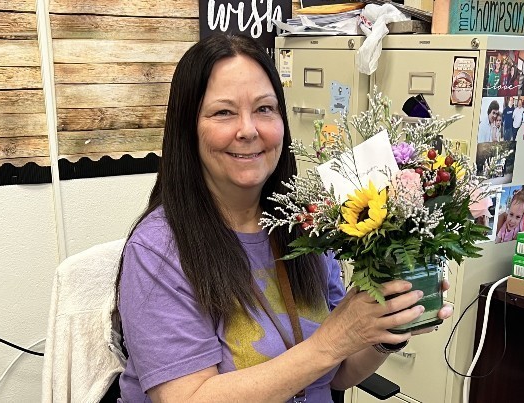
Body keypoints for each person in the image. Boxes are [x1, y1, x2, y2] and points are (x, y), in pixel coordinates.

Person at [115, 34, 454, 403]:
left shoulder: (306, 223)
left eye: (264, 109)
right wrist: (332, 340)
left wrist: (387, 328)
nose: (249, 130)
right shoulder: (158, 251)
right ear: (188, 128)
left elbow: (337, 374)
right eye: (223, 112)